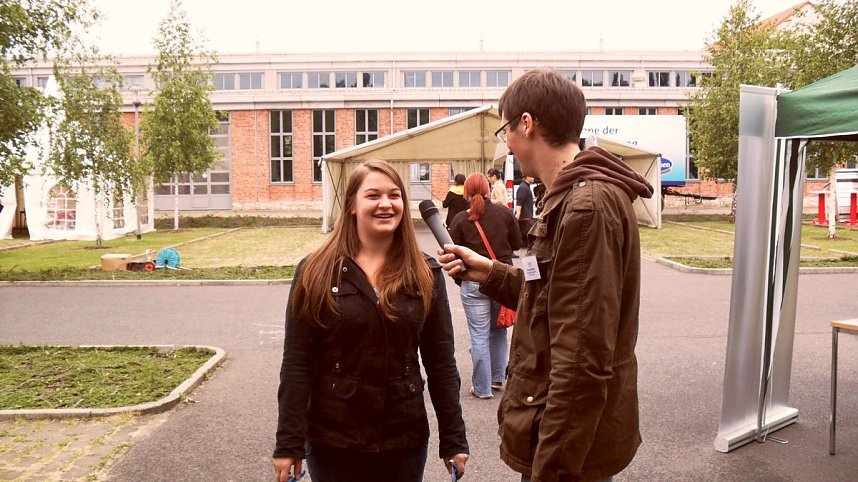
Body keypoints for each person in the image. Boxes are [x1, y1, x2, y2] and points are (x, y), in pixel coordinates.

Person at [438, 69, 653, 482]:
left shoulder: (586, 206)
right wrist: (490, 272)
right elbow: (554, 298)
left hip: (568, 454)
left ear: (526, 123)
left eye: (506, 130)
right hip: (569, 438)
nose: (508, 144)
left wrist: (551, 471)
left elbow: (582, 359)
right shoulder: (572, 196)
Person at [273, 160, 469, 482]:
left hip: (402, 439)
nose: (386, 204)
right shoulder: (315, 271)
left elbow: (441, 362)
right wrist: (288, 443)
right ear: (352, 204)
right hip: (332, 440)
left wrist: (453, 437)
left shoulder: (425, 272)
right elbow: (297, 363)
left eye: (394, 195)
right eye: (373, 195)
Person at [448, 173, 521, 399]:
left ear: (466, 193)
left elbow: (452, 254)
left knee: (479, 335)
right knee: (499, 332)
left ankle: (482, 388)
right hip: (502, 279)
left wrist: (461, 280)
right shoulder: (504, 213)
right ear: (488, 190)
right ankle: (498, 378)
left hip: (473, 284)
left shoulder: (460, 219)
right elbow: (518, 243)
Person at [514, 175, 535, 244]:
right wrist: (518, 214)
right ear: (527, 177)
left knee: (528, 240)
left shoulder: (526, 187)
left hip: (527, 217)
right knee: (528, 239)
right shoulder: (523, 188)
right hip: (525, 218)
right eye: (532, 176)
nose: (533, 178)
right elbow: (519, 201)